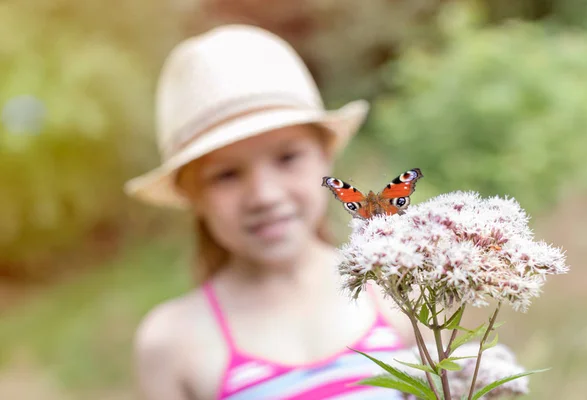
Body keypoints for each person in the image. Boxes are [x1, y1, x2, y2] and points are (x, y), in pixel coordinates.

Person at [125, 24, 415, 400]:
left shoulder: (397, 290)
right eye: (226, 175)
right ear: (191, 194)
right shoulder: (171, 344)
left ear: (325, 156)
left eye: (287, 157)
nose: (264, 195)